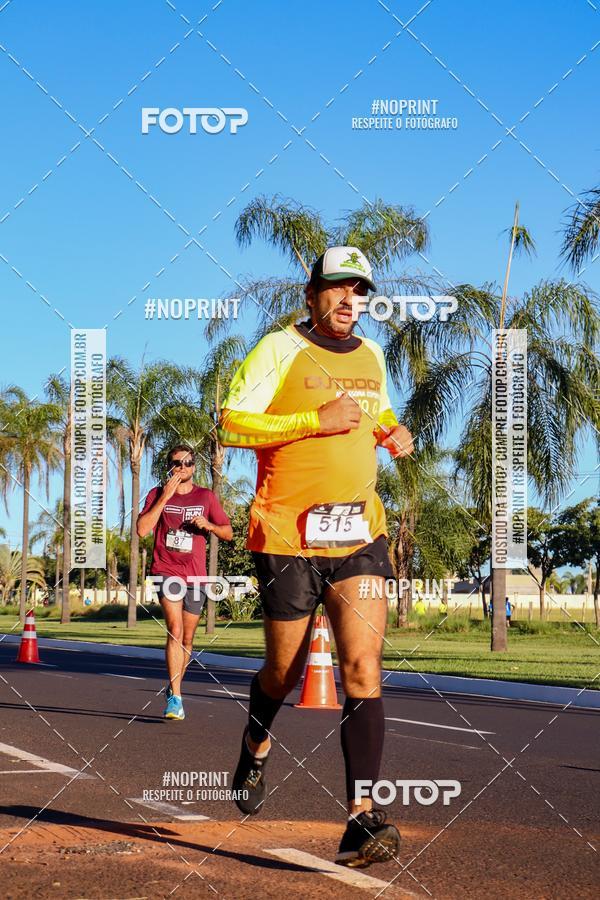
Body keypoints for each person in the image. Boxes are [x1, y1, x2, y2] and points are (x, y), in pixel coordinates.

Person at [218, 246, 414, 869]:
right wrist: (312, 419)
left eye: (358, 289)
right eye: (336, 288)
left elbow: (372, 410)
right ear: (311, 294)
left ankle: (361, 818)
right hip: (286, 536)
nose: (348, 300)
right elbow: (231, 425)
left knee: (362, 665)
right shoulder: (278, 349)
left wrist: (391, 431)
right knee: (285, 671)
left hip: (359, 532)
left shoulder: (372, 354)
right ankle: (256, 742)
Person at [137, 445, 233, 720]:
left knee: (188, 638)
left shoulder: (206, 497)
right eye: (177, 463)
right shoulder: (156, 494)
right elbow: (143, 530)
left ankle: (173, 685)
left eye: (188, 463)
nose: (183, 467)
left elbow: (227, 532)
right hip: (166, 570)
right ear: (169, 466)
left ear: (194, 467)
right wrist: (165, 495)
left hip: (196, 575)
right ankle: (176, 698)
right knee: (175, 629)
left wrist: (209, 526)